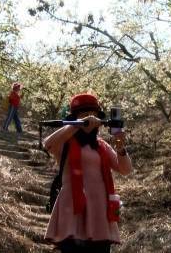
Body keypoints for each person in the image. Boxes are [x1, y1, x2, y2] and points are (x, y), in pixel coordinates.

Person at [43, 93, 133, 253]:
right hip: (71, 210)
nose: (90, 119)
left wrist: (120, 143)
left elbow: (125, 170)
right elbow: (48, 144)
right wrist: (76, 125)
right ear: (75, 118)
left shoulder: (102, 146)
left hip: (100, 212)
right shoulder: (65, 143)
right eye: (84, 114)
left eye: (93, 114)